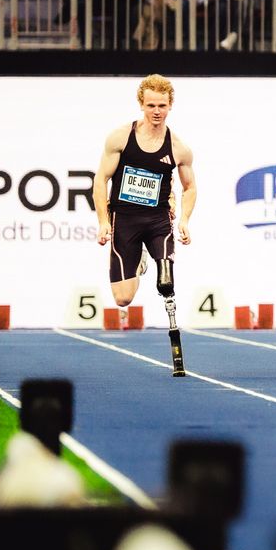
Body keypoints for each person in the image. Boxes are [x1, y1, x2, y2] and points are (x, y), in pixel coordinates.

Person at [93, 75, 197, 377]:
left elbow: (190, 187)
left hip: (157, 220)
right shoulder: (119, 138)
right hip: (124, 219)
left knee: (166, 279)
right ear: (141, 104)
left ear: (170, 106)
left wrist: (186, 219)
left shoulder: (179, 148)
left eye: (162, 105)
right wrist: (102, 221)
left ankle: (158, 270)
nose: (156, 111)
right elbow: (100, 180)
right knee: (123, 299)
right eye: (150, 105)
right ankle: (137, 261)